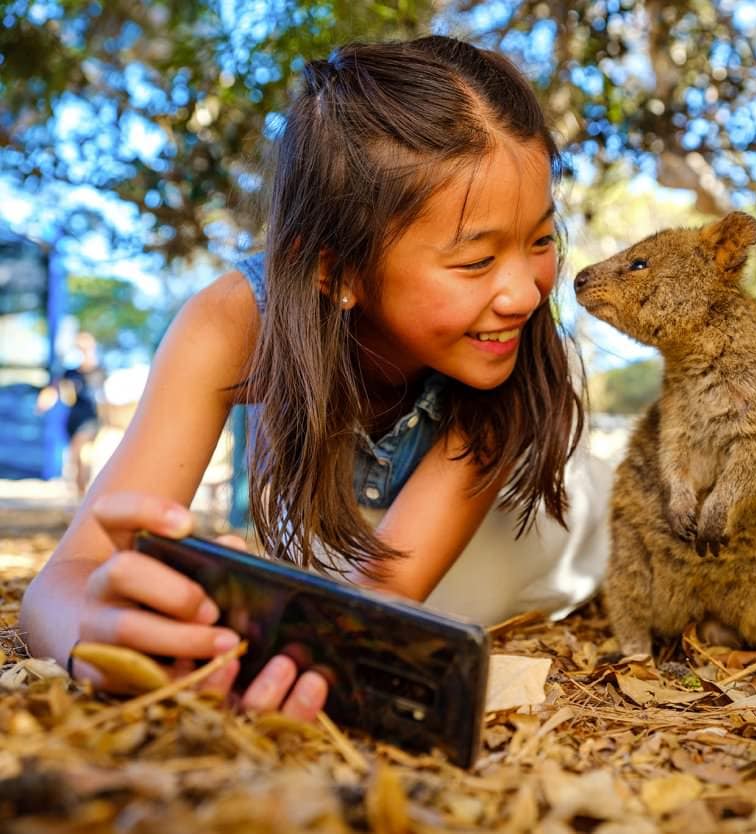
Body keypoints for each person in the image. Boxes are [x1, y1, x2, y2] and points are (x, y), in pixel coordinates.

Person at [19, 36, 611, 722]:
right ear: (335, 271)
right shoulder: (231, 323)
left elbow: (386, 592)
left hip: (550, 529)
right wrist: (95, 639)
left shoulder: (511, 349)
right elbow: (58, 584)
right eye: (476, 261)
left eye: (539, 240)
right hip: (359, 535)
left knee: (445, 602)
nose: (526, 293)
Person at [36, 331, 106, 497]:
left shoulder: (98, 371)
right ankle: (80, 494)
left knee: (80, 451)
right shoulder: (70, 373)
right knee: (77, 457)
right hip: (74, 419)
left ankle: (83, 493)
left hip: (90, 419)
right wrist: (45, 401)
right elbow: (56, 391)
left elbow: (104, 399)